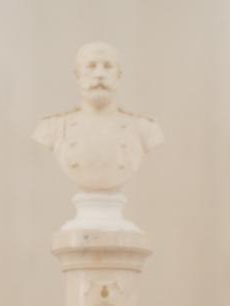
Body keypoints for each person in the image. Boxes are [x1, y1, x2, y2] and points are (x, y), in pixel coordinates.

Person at [32, 41, 164, 193]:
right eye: (91, 66)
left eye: (108, 66)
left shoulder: (145, 128)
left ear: (119, 76)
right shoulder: (53, 127)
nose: (99, 74)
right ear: (77, 75)